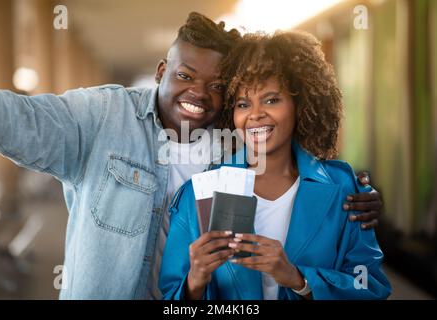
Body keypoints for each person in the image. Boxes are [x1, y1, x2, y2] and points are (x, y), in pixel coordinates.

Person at [0, 12, 382, 299]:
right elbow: (17, 119)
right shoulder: (100, 118)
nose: (198, 93)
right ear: (161, 70)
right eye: (185, 75)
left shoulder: (239, 144)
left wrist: (355, 193)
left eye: (217, 85)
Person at [159, 31, 391, 300]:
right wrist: (194, 282)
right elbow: (171, 301)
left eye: (271, 100)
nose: (255, 114)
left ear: (299, 104)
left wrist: (299, 279)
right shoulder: (197, 194)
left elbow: (369, 285)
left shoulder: (343, 188)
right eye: (243, 104)